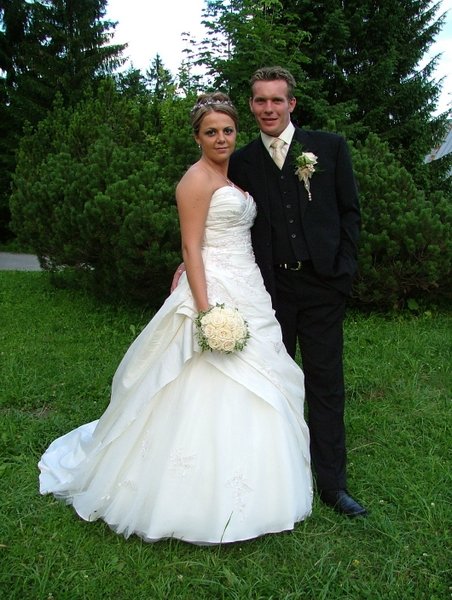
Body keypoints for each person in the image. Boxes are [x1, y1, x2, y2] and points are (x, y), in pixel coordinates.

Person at [38, 92, 313, 545]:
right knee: (202, 378)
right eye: (211, 132)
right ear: (197, 137)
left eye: (227, 130)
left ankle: (261, 483)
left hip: (248, 285)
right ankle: (184, 494)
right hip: (214, 290)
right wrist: (206, 312)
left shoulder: (231, 176)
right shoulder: (195, 179)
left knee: (262, 373)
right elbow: (191, 245)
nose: (221, 138)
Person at [228, 67, 367, 517]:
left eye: (277, 100)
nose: (268, 108)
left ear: (292, 104)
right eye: (260, 100)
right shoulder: (242, 161)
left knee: (325, 384)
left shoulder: (328, 147)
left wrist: (342, 272)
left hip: (323, 285)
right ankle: (279, 475)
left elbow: (350, 212)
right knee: (273, 383)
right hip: (271, 291)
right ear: (252, 105)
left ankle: (332, 485)